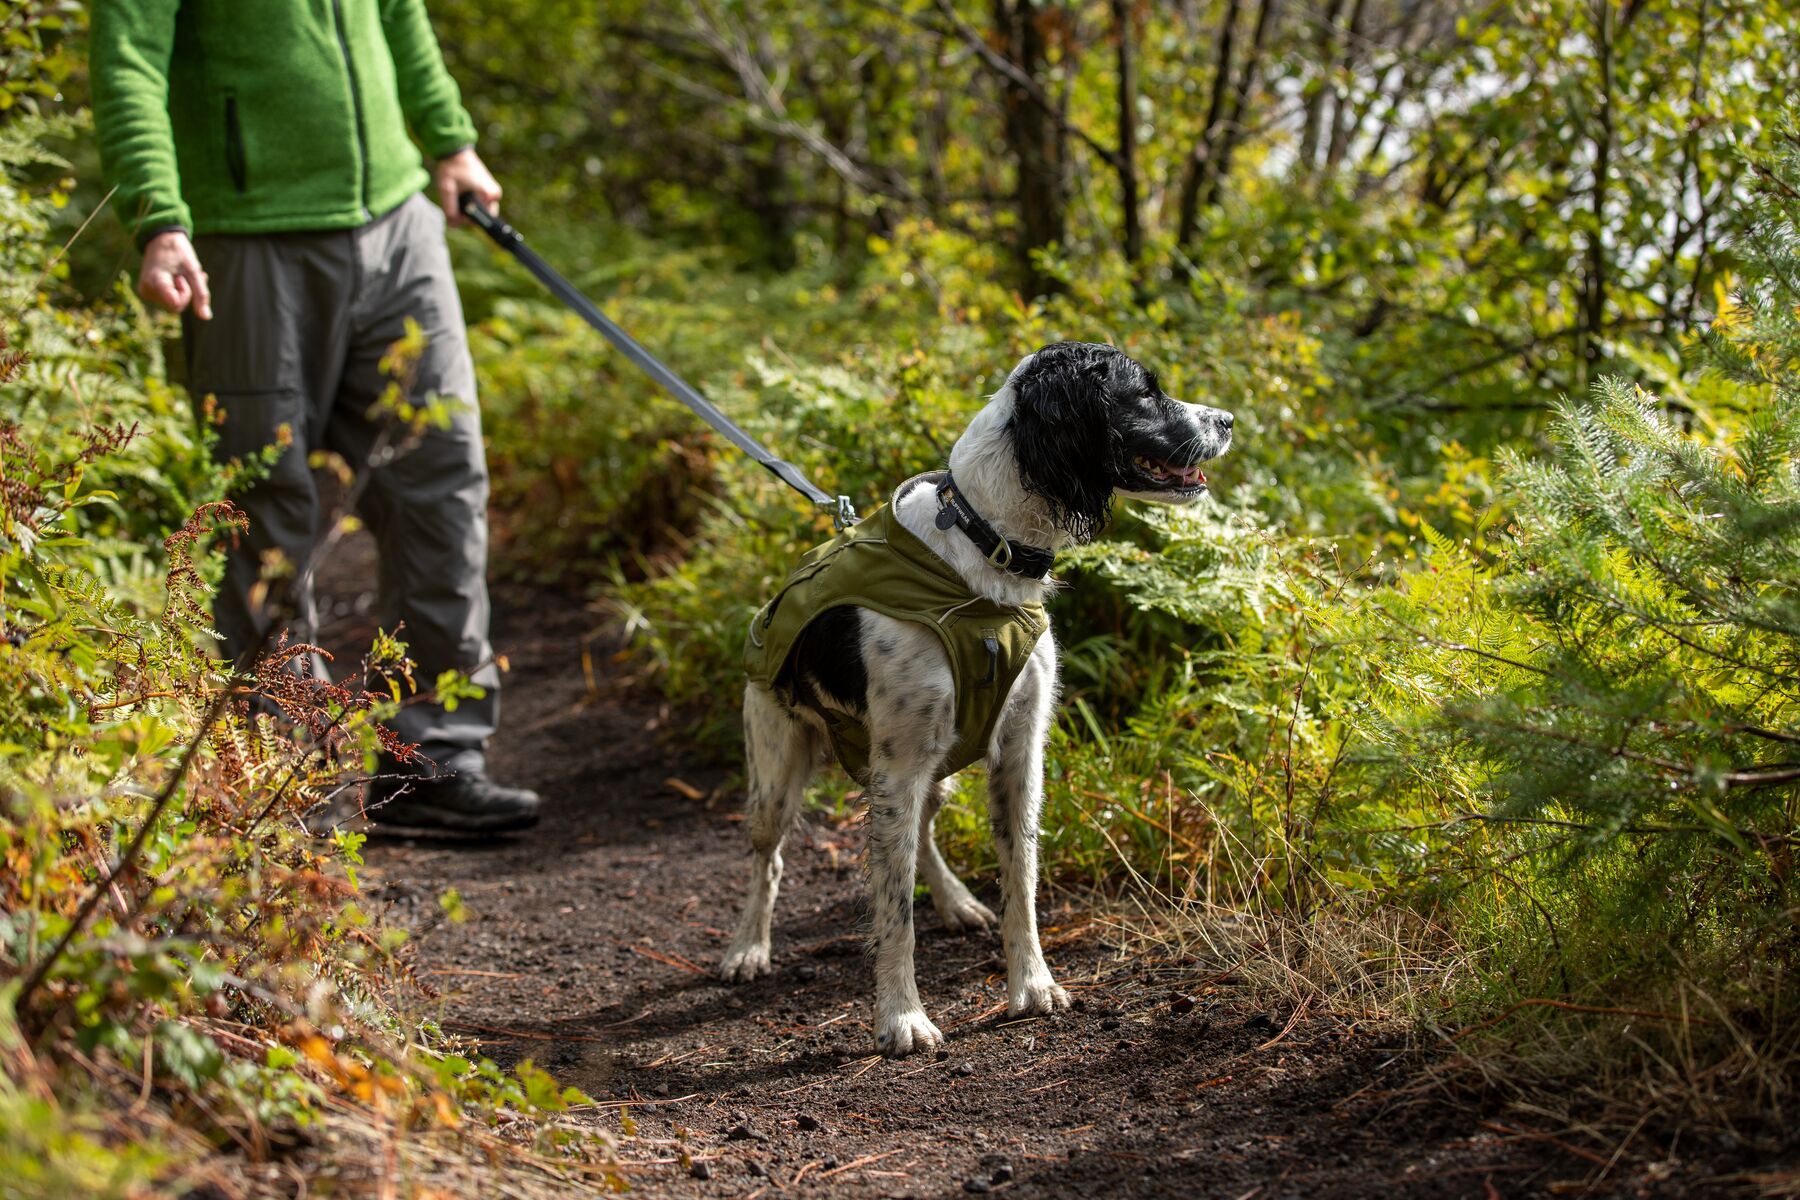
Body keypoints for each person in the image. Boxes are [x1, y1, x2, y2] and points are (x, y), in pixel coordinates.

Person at [91, 0, 540, 834]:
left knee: (442, 482)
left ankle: (433, 764)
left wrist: (449, 138)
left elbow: (398, 12)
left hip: (398, 227)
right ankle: (268, 788)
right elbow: (127, 59)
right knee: (264, 511)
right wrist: (159, 218)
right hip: (246, 242)